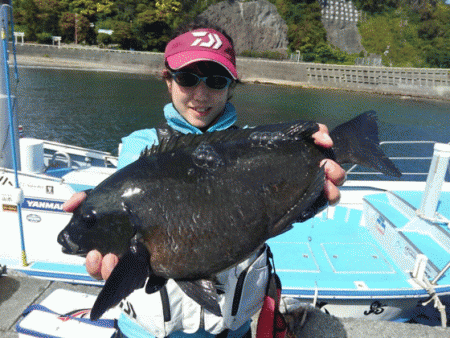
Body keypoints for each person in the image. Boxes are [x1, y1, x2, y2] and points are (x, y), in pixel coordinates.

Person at [63, 20, 346, 338]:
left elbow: (279, 209)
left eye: (215, 80)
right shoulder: (142, 145)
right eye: (187, 78)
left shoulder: (256, 146)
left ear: (230, 85)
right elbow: (132, 188)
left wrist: (317, 192)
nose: (201, 94)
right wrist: (99, 205)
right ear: (167, 79)